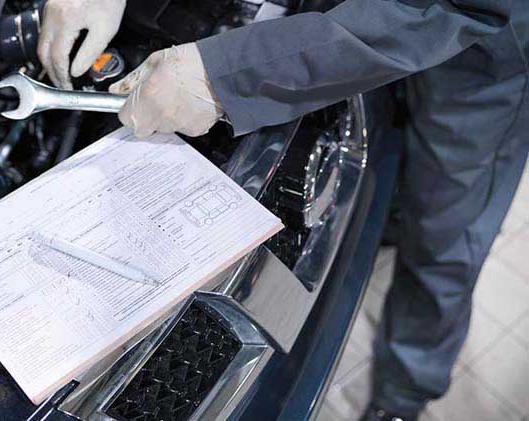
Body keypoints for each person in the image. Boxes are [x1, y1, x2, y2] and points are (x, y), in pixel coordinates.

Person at [37, 0, 529, 419]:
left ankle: (405, 389)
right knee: (394, 162)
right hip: (345, 18)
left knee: (446, 231)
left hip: (477, 57)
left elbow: (460, 7)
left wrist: (224, 74)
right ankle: (388, 216)